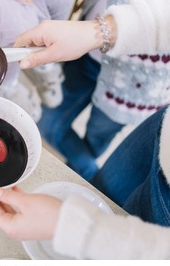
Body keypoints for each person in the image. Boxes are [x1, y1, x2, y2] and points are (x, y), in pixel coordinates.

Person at [0, 0, 170, 259]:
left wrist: (75, 229)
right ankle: (85, 169)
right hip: (102, 58)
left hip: (139, 88)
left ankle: (83, 166)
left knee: (96, 145)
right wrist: (103, 31)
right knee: (88, 174)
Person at [36, 0, 170, 181]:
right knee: (48, 123)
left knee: (95, 141)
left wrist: (102, 31)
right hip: (85, 51)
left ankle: (77, 180)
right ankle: (90, 178)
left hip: (139, 82)